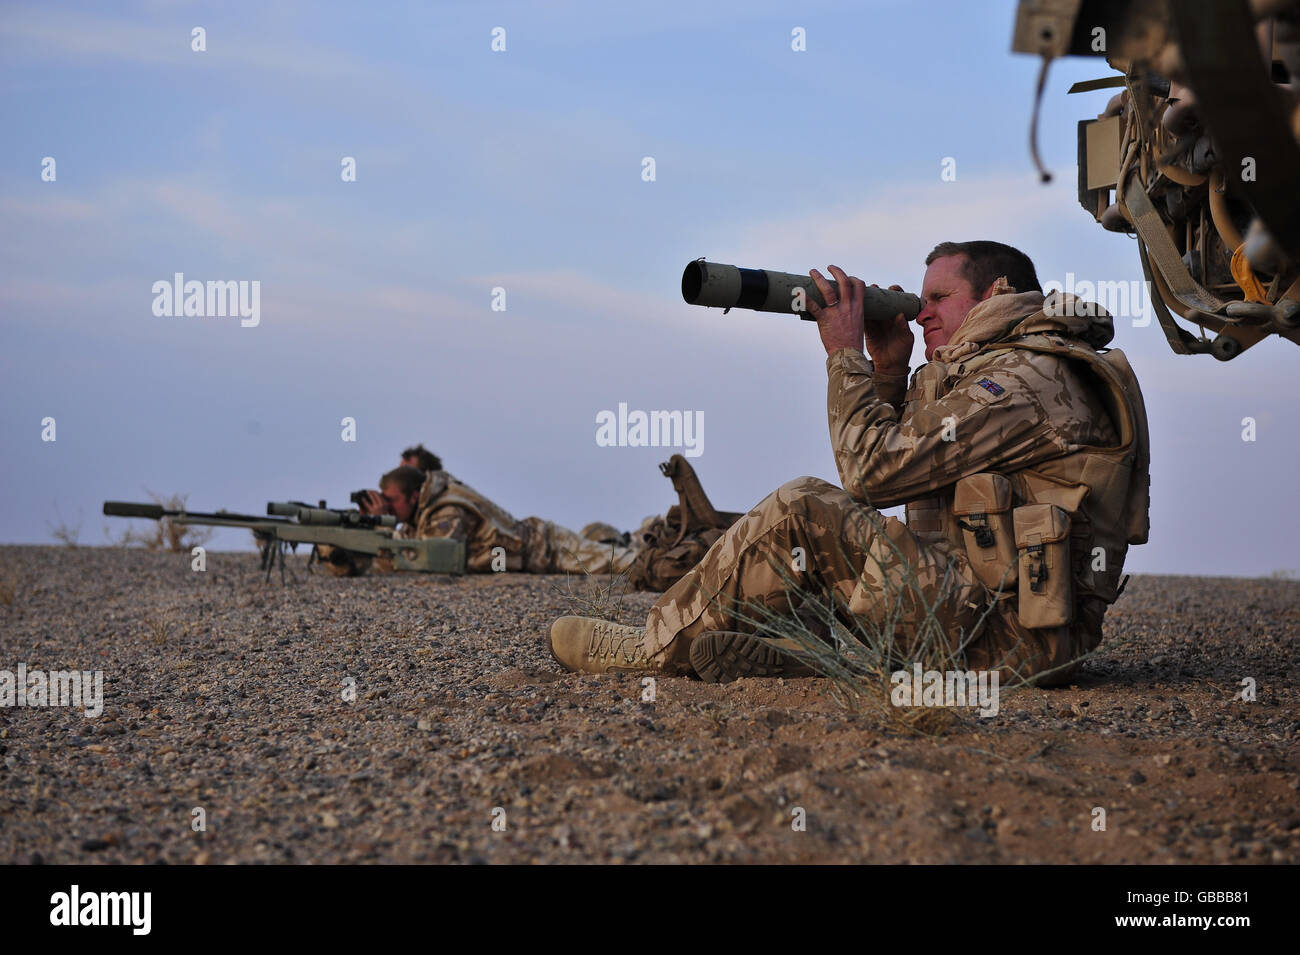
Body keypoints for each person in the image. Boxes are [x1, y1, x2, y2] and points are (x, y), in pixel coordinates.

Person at [548, 240, 1150, 685]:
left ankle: (654, 646)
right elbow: (887, 486)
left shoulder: (1027, 380)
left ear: (995, 294)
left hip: (1008, 644)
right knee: (831, 547)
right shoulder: (1013, 369)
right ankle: (807, 653)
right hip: (995, 624)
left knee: (804, 509)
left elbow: (867, 474)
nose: (921, 314)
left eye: (939, 298)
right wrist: (888, 371)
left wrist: (844, 352)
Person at [363, 465, 641, 575]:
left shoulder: (446, 509)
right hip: (540, 551)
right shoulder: (422, 515)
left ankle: (672, 563)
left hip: (547, 545)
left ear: (414, 496)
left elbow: (435, 559)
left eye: (393, 500)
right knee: (614, 557)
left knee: (623, 563)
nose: (389, 507)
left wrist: (378, 527)